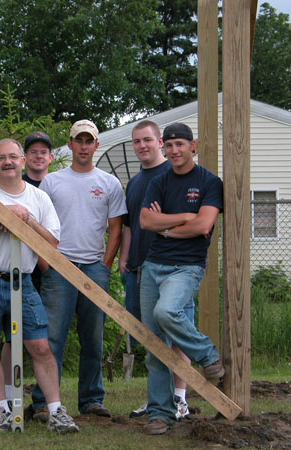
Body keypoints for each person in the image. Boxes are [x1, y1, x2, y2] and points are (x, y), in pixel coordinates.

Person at [0, 138, 79, 434]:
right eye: (1, 158)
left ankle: (55, 411)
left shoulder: (39, 199)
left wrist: (27, 220)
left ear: (23, 161)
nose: (8, 162)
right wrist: (0, 215)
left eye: (13, 156)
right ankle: (2, 411)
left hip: (22, 280)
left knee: (39, 344)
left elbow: (50, 246)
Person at [31, 120, 127, 420]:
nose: (84, 146)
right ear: (70, 144)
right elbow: (39, 224)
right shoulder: (52, 181)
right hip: (58, 267)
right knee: (52, 338)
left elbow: (116, 228)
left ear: (96, 145)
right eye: (78, 141)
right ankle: (44, 402)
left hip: (93, 268)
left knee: (93, 338)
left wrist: (105, 264)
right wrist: (46, 262)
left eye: (89, 141)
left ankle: (91, 400)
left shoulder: (109, 183)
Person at [138, 122, 225, 435]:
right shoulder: (159, 181)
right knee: (154, 344)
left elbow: (203, 226)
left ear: (193, 146)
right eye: (170, 145)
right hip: (152, 266)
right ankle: (161, 414)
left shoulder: (209, 182)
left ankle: (208, 355)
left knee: (167, 312)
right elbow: (146, 219)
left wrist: (166, 226)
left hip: (187, 266)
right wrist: (181, 219)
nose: (175, 151)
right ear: (164, 146)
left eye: (181, 145)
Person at [119, 121, 192, 420]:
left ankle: (179, 399)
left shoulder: (173, 175)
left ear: (160, 141)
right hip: (137, 269)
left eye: (147, 140)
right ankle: (158, 399)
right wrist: (124, 260)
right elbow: (128, 225)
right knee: (151, 339)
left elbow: (187, 221)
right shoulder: (136, 182)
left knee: (177, 334)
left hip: (170, 268)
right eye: (137, 141)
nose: (142, 146)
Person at [1, 131, 54, 405]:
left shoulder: (53, 186)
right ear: (25, 158)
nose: (38, 156)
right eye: (33, 151)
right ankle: (11, 397)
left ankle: (46, 401)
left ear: (50, 157)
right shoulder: (6, 186)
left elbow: (51, 235)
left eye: (43, 152)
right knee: (12, 335)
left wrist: (47, 264)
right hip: (14, 270)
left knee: (41, 336)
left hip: (46, 269)